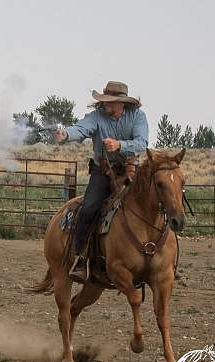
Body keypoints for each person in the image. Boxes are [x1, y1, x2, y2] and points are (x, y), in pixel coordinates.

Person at [54, 81, 149, 281]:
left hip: (132, 171)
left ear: (121, 103)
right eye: (105, 100)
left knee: (158, 202)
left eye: (111, 101)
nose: (106, 104)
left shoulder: (137, 117)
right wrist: (66, 133)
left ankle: (164, 259)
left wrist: (119, 145)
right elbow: (81, 128)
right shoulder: (96, 116)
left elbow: (142, 143)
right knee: (89, 208)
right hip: (103, 172)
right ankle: (80, 257)